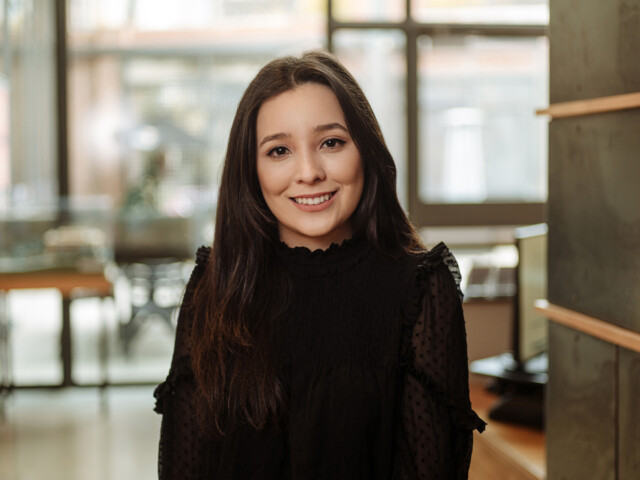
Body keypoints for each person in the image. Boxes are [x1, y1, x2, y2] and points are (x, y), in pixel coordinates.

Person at [154, 50, 485, 479]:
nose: (309, 172)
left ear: (364, 150)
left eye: (331, 142)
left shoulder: (421, 290)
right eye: (279, 151)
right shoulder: (216, 286)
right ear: (250, 170)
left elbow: (432, 470)